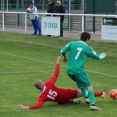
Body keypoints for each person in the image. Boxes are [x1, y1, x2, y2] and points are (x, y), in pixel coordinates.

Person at [17, 56, 107, 110]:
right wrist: (57, 62)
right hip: (67, 94)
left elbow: (38, 106)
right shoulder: (49, 84)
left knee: (59, 101)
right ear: (43, 83)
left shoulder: (42, 97)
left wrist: (25, 107)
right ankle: (102, 94)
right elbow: (56, 74)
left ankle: (73, 101)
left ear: (38, 88)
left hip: (61, 101)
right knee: (84, 92)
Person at [61, 32, 106, 111]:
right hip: (78, 71)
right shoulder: (87, 48)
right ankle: (93, 105)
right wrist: (103, 54)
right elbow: (98, 57)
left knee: (81, 84)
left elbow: (62, 51)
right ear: (87, 39)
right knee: (89, 86)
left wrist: (65, 57)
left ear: (80, 37)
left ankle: (86, 98)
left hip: (69, 70)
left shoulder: (72, 43)